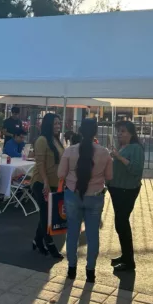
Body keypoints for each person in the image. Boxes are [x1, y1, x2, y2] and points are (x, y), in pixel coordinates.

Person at [59, 119, 112, 283]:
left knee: (72, 233)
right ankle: (90, 271)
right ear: (95, 132)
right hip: (95, 196)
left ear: (80, 131)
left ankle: (72, 269)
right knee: (92, 236)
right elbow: (110, 177)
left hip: (73, 195)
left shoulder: (70, 151)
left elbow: (61, 174)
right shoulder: (104, 153)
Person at [107, 120, 145, 272]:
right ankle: (125, 255)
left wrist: (118, 157)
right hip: (117, 188)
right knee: (120, 223)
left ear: (131, 133)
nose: (119, 134)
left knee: (122, 223)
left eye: (122, 131)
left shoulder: (135, 148)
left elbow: (136, 169)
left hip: (126, 190)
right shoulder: (123, 147)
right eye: (118, 131)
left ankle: (129, 261)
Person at [30, 113, 65, 258]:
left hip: (55, 183)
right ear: (48, 124)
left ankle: (37, 240)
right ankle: (50, 244)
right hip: (41, 183)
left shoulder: (56, 140)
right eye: (55, 123)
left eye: (59, 123)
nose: (58, 126)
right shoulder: (42, 140)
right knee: (46, 215)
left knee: (47, 214)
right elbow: (40, 163)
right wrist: (45, 181)